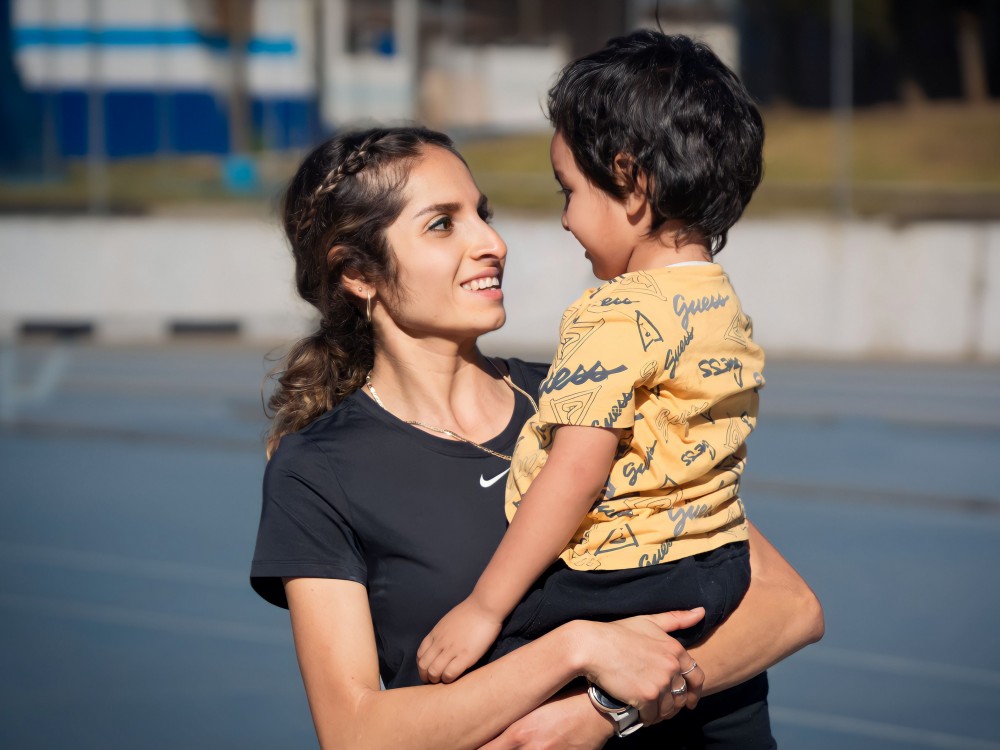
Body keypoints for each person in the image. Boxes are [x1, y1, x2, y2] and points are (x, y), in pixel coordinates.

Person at [250, 124, 823, 749]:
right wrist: (573, 650)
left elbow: (788, 605)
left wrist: (604, 710)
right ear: (357, 273)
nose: (491, 242)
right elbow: (356, 736)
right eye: (443, 224)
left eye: (482, 214)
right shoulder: (318, 468)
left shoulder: (584, 394)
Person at [418, 30, 775, 746]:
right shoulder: (720, 303)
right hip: (719, 574)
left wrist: (486, 608)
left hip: (623, 578)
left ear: (631, 182)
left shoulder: (616, 313)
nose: (565, 218)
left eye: (570, 191)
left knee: (477, 676)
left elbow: (577, 470)